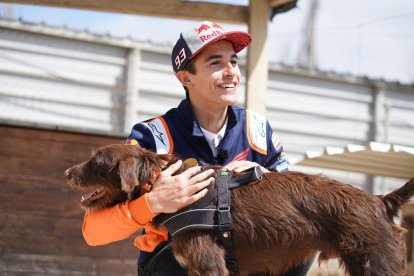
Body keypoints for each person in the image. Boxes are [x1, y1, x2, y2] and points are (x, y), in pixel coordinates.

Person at [82, 21, 313, 275]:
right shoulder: (153, 137)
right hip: (175, 261)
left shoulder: (257, 129)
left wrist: (265, 177)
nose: (231, 72)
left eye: (233, 62)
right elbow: (93, 232)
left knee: (304, 241)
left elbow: (295, 206)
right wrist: (154, 202)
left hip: (246, 258)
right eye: (216, 63)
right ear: (185, 78)